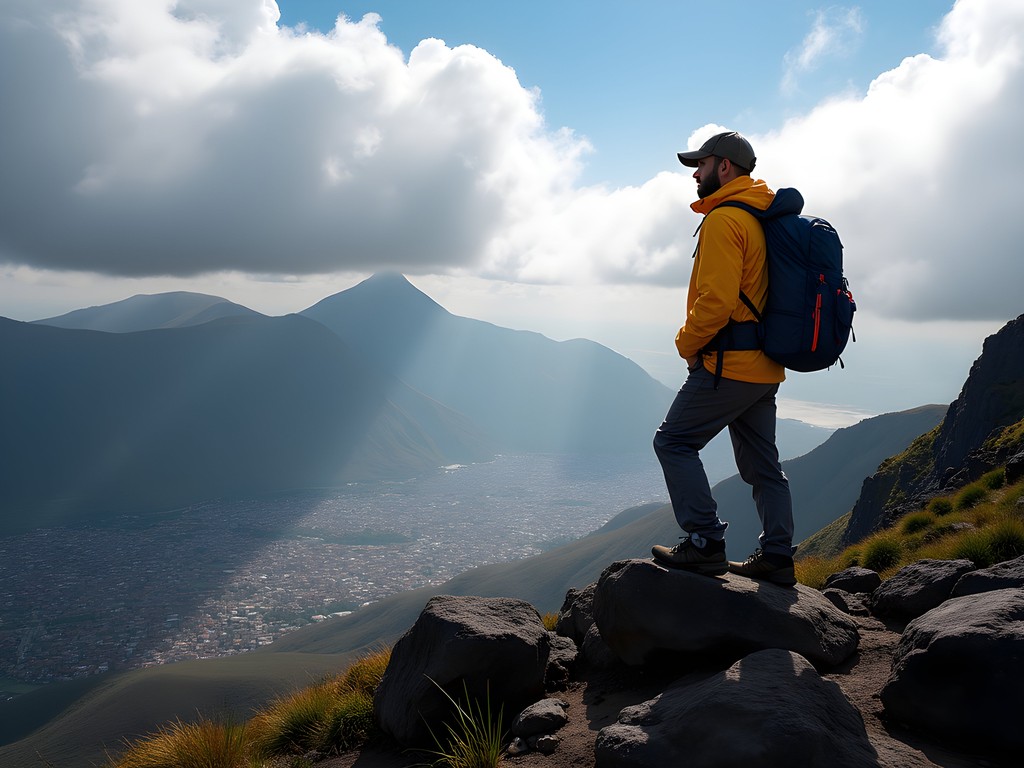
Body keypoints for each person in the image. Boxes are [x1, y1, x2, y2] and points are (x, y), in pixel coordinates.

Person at [650, 130, 796, 587]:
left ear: (725, 167)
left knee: (673, 442)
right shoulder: (758, 214)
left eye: (702, 164)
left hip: (728, 366)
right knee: (763, 466)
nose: (696, 172)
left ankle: (705, 543)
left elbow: (715, 301)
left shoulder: (724, 220)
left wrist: (686, 344)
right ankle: (777, 555)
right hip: (763, 366)